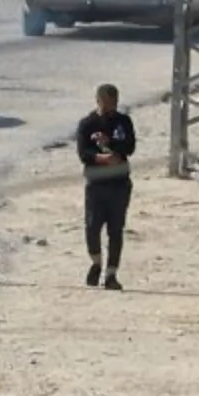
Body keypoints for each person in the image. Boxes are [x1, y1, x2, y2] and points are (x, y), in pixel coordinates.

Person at [77, 84, 136, 290]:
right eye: (107, 102)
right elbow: (83, 153)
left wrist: (111, 144)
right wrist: (102, 158)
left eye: (115, 102)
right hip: (96, 184)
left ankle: (111, 273)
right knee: (92, 227)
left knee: (116, 230)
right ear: (98, 100)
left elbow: (129, 146)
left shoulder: (123, 121)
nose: (111, 106)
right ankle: (96, 262)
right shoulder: (87, 124)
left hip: (119, 184)